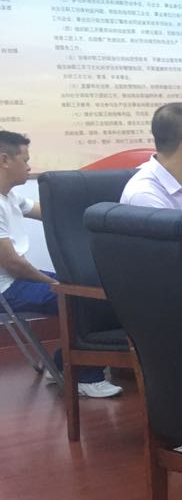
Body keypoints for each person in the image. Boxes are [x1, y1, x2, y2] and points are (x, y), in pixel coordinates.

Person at [0, 131, 119, 398]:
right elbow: (12, 263)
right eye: (25, 160)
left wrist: (99, 216)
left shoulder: (9, 196)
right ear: (5, 160)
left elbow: (51, 213)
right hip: (6, 288)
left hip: (17, 280)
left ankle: (63, 363)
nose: (29, 167)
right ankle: (84, 377)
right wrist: (53, 283)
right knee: (78, 299)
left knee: (87, 288)